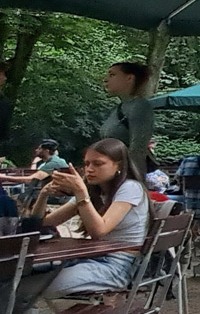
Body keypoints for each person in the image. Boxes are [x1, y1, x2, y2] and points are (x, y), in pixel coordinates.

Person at [21, 138, 149, 299]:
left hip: (118, 265)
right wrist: (43, 195)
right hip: (89, 257)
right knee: (13, 279)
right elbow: (44, 223)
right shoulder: (93, 192)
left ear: (120, 165)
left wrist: (81, 193)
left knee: (23, 289)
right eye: (87, 164)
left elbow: (99, 231)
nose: (89, 169)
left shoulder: (130, 187)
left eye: (98, 164)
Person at [99, 61, 153, 175]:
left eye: (112, 75)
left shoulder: (140, 106)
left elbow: (138, 149)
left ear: (129, 78)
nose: (105, 79)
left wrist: (132, 180)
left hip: (126, 177)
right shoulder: (118, 108)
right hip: (111, 176)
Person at [0, 140, 68, 185]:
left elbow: (31, 180)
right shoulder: (56, 161)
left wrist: (5, 177)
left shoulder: (53, 163)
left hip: (55, 196)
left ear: (46, 151)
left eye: (39, 148)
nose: (36, 150)